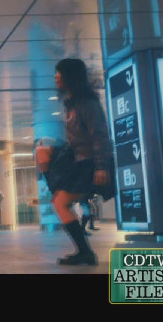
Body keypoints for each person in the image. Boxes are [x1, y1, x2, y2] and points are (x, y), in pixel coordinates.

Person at [50, 58, 113, 266]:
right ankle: (84, 252)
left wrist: (101, 166)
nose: (56, 77)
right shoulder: (72, 103)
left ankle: (85, 252)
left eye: (59, 73)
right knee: (59, 202)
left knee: (60, 202)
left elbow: (100, 135)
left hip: (89, 162)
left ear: (71, 76)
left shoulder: (86, 103)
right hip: (81, 161)